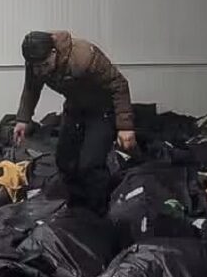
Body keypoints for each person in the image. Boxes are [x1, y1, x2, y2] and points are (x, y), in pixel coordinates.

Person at [14, 31, 136, 214]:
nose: (41, 71)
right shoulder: (35, 62)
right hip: (75, 107)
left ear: (54, 53)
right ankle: (77, 207)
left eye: (45, 65)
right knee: (64, 160)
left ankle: (98, 212)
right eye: (36, 67)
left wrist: (125, 127)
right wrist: (23, 120)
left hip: (102, 109)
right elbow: (31, 89)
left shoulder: (84, 57)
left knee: (90, 164)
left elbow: (118, 84)